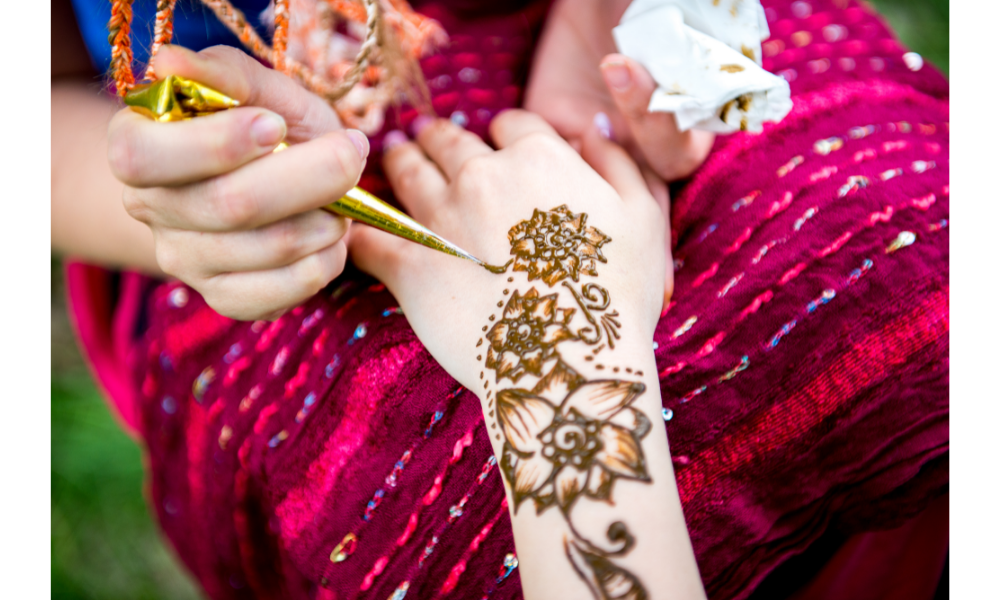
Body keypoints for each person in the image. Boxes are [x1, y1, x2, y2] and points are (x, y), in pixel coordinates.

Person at [52, 0, 949, 598]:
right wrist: (202, 209)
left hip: (578, 67)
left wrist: (553, 333)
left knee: (916, 284)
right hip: (254, 206)